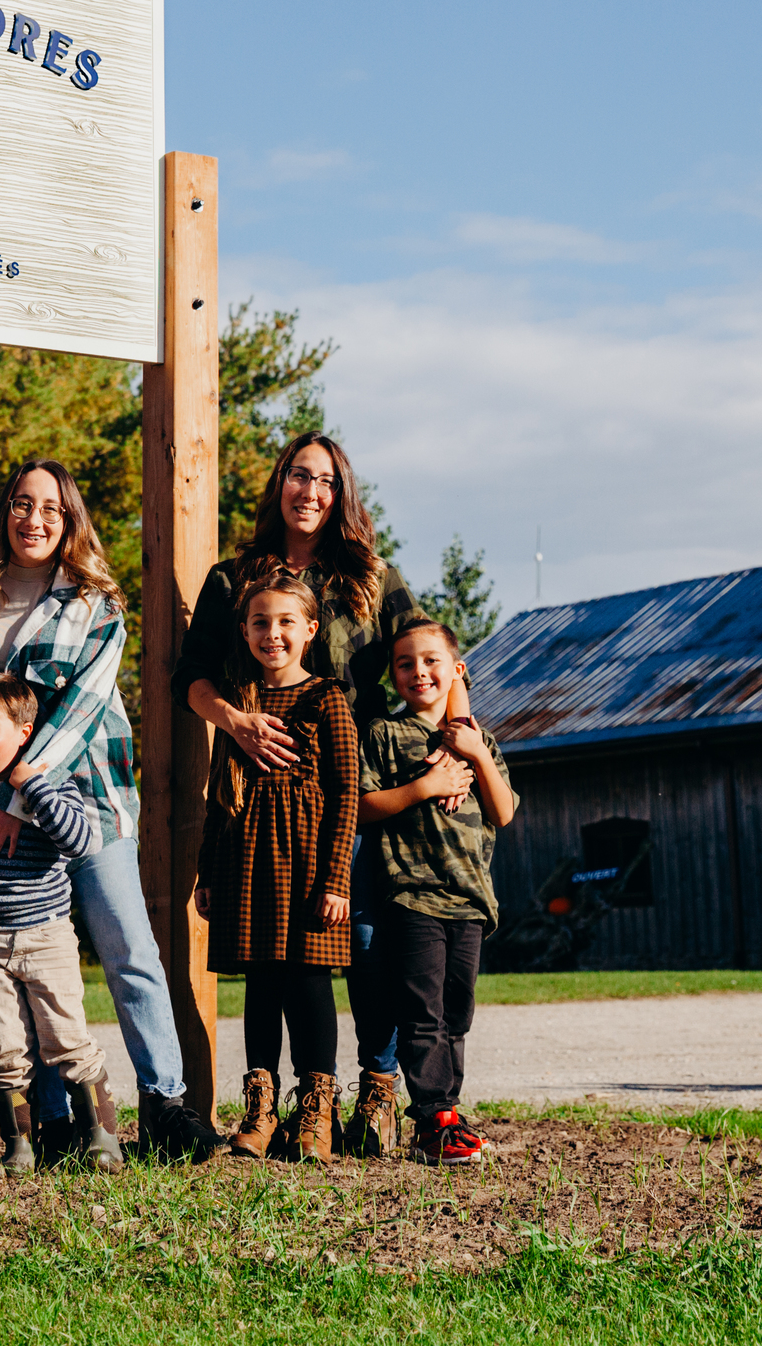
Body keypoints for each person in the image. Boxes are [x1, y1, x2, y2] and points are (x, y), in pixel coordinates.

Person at [172, 431, 460, 1160]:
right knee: (274, 962)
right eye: (299, 475)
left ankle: (375, 1091)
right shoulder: (233, 579)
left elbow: (426, 650)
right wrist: (235, 723)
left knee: (363, 947)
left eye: (326, 480)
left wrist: (458, 733)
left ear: (342, 494)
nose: (310, 490)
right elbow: (192, 678)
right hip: (256, 796)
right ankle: (276, 1104)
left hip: (350, 793)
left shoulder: (370, 575)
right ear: (279, 484)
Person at [0, 460, 223, 1162]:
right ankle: (54, 1119)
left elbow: (81, 709)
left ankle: (165, 1103)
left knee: (127, 947)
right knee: (21, 954)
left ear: (70, 520)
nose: (33, 519)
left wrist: (17, 796)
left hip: (87, 799)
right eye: (20, 503)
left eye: (50, 508)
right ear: (3, 512)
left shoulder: (95, 602)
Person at [0, 672, 124, 1175]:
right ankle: (20, 1147)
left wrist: (31, 785)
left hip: (46, 937)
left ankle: (101, 1137)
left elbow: (80, 842)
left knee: (66, 1040)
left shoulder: (54, 782)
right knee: (3, 1049)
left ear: (24, 732)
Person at [193, 572, 359, 1165]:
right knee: (261, 985)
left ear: (310, 629)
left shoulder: (327, 698)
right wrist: (206, 873)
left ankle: (317, 1114)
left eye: (286, 621)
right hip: (246, 863)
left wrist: (338, 878)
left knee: (310, 982)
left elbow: (347, 795)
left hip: (311, 866)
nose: (273, 634)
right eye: (260, 622)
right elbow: (221, 795)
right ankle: (261, 1111)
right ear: (244, 630)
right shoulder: (240, 709)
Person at [360, 621, 518, 1166]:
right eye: (405, 663)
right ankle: (434, 1119)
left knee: (458, 1013)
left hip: (472, 899)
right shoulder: (384, 734)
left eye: (430, 661)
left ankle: (447, 1110)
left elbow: (504, 811)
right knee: (422, 1012)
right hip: (411, 895)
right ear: (394, 675)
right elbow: (361, 805)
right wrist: (424, 787)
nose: (418, 672)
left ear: (457, 670)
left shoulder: (481, 740)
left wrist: (473, 752)